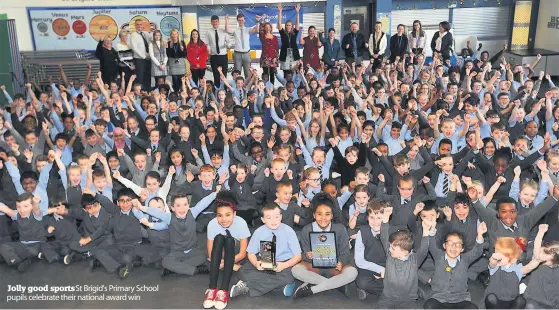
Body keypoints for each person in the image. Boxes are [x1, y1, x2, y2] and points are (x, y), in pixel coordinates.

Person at [226, 13, 258, 80]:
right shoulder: (235, 30)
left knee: (248, 74)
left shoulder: (248, 29)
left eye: (242, 20)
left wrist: (257, 21)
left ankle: (247, 89)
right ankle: (237, 89)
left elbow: (256, 30)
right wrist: (226, 20)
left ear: (244, 20)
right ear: (237, 21)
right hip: (237, 54)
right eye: (239, 20)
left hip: (246, 54)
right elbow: (227, 30)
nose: (241, 22)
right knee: (237, 74)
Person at [207, 15, 230, 90]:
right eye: (213, 22)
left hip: (223, 56)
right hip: (214, 56)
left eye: (216, 21)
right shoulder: (208, 31)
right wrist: (208, 49)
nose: (215, 23)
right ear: (211, 22)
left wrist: (228, 45)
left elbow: (228, 41)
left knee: (224, 75)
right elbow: (208, 43)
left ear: (219, 22)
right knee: (216, 75)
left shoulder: (223, 31)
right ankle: (217, 91)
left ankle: (224, 91)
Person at [277, 3, 301, 76]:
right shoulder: (282, 33)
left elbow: (297, 23)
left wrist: (297, 12)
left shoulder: (295, 33)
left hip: (294, 55)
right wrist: (280, 11)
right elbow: (279, 23)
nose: (288, 26)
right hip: (285, 55)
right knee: (286, 74)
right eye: (287, 25)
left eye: (289, 25)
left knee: (294, 74)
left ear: (292, 26)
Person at [130, 19, 152, 90]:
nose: (139, 26)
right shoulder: (133, 35)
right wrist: (144, 56)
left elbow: (153, 41)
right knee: (140, 78)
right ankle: (140, 95)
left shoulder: (146, 34)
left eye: (141, 24)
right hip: (139, 60)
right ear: (135, 26)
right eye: (137, 24)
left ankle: (147, 94)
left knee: (148, 77)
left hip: (148, 59)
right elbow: (134, 48)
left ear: (143, 25)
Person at [258, 19, 279, 85]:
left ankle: (271, 89)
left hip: (273, 58)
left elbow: (277, 49)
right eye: (266, 27)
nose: (267, 28)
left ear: (271, 28)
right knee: (266, 75)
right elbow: (260, 30)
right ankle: (266, 89)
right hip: (265, 58)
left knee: (272, 74)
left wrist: (275, 57)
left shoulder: (275, 37)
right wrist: (262, 21)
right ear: (264, 28)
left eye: (268, 27)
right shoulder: (262, 36)